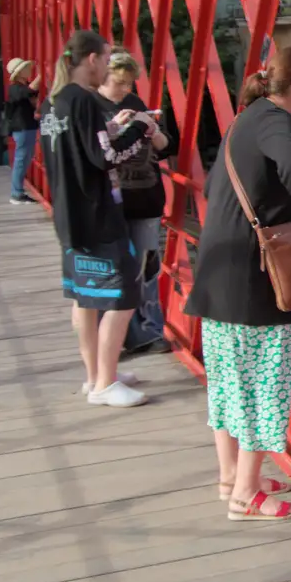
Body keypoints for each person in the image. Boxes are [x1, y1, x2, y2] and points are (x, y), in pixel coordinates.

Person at [186, 45, 291, 522]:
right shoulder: (277, 121)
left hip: (218, 267)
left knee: (230, 383)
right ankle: (246, 495)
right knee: (265, 383)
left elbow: (213, 188)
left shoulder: (245, 119)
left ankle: (231, 477)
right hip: (254, 279)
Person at [41, 29, 161, 409]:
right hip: (95, 212)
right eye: (106, 60)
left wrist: (110, 129)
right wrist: (140, 129)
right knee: (124, 294)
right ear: (91, 60)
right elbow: (103, 158)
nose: (108, 67)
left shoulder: (54, 101)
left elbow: (76, 150)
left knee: (85, 297)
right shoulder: (85, 100)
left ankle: (96, 374)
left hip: (68, 212)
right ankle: (105, 384)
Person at [95, 48, 177, 353]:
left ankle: (149, 332)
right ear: (104, 78)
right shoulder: (90, 106)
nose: (126, 90)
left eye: (130, 83)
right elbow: (91, 153)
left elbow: (167, 148)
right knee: (113, 270)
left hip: (145, 196)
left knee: (146, 268)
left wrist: (153, 130)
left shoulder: (136, 104)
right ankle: (112, 340)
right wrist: (113, 127)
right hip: (110, 201)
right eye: (120, 83)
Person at [5, 58, 41, 204]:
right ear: (19, 72)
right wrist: (42, 76)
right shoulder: (14, 88)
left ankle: (18, 191)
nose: (28, 70)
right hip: (22, 127)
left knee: (24, 158)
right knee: (21, 159)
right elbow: (30, 91)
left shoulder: (21, 86)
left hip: (27, 126)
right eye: (25, 68)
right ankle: (16, 193)